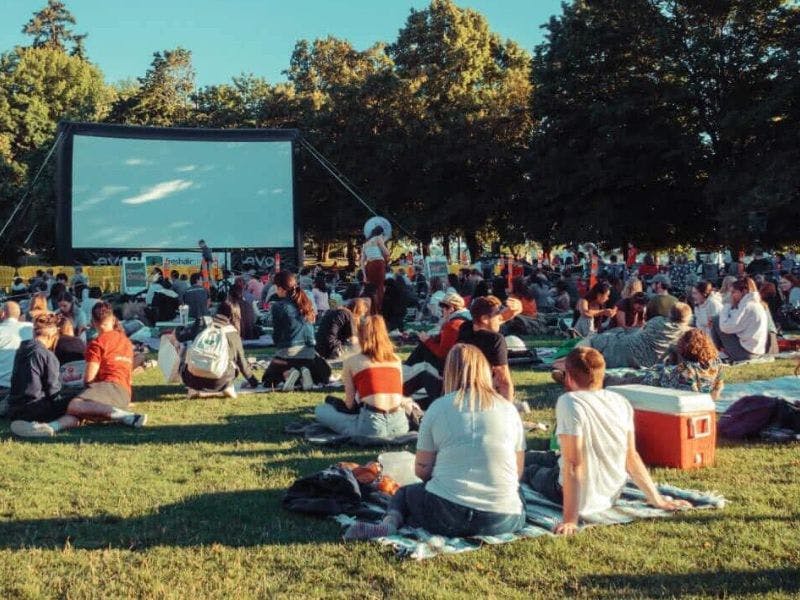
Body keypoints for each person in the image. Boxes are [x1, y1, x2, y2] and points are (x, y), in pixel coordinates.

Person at [344, 343, 526, 540]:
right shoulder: (509, 410)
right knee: (518, 494)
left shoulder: (438, 408)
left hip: (445, 514)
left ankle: (389, 524)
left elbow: (422, 471)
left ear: (449, 372)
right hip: (503, 520)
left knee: (405, 494)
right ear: (485, 371)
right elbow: (517, 471)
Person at [524, 347, 689, 535]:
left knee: (527, 469)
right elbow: (631, 456)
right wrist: (657, 499)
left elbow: (573, 463)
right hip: (611, 493)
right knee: (544, 457)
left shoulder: (570, 402)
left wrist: (570, 519)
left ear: (568, 377)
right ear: (602, 375)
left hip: (573, 493)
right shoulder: (620, 402)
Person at [7, 313, 146, 438]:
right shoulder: (47, 355)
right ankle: (123, 415)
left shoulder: (21, 350)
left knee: (76, 406)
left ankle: (50, 427)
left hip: (14, 407)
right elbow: (53, 392)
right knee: (78, 405)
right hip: (34, 409)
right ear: (51, 335)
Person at [314, 315, 409, 438]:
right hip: (400, 425)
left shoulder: (352, 361)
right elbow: (398, 395)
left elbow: (349, 404)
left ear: (361, 335)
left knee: (321, 410)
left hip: (371, 426)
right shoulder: (396, 360)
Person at [562, 303, 693, 371]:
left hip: (625, 349)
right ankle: (569, 364)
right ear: (687, 319)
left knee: (592, 340)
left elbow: (641, 331)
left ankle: (568, 364)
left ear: (670, 313)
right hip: (648, 363)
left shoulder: (657, 321)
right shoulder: (688, 334)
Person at [605, 328, 724, 400]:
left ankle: (604, 378)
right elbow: (718, 387)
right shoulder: (716, 363)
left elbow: (690, 395)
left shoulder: (686, 370)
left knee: (620, 382)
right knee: (630, 376)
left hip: (653, 383)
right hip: (661, 377)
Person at [261, 272, 330, 391]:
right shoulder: (306, 303)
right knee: (310, 368)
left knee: (268, 379)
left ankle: (289, 373)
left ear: (281, 289)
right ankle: (302, 374)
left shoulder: (278, 307)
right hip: (309, 352)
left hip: (288, 351)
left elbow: (277, 337)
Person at [177, 313, 259, 398]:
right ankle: (228, 387)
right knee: (233, 364)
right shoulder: (233, 334)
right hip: (220, 381)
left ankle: (193, 388)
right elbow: (242, 363)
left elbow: (180, 336)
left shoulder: (201, 326)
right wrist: (253, 382)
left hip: (192, 379)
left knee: (184, 353)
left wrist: (180, 328)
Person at [457, 295, 516, 401]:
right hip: (484, 395)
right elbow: (504, 381)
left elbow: (479, 324)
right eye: (497, 314)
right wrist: (509, 411)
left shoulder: (464, 329)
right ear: (484, 318)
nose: (500, 318)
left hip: (459, 392)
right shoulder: (495, 339)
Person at [406, 292, 471, 372]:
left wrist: (427, 341)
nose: (442, 312)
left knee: (423, 348)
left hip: (451, 365)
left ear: (451, 309)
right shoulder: (468, 318)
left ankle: (406, 369)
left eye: (443, 309)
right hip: (464, 361)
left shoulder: (452, 325)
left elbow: (442, 353)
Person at [711, 279, 769, 361]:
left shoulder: (747, 306)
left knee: (716, 320)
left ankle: (718, 352)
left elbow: (725, 327)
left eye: (734, 292)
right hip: (755, 351)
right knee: (718, 319)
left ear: (744, 291)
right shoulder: (754, 304)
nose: (731, 295)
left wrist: (727, 306)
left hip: (746, 353)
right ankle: (722, 352)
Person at [0, 302, 33, 405]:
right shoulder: (31, 328)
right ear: (19, 315)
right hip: (27, 385)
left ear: (2, 314)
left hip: (4, 386)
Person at [361, 226, 390, 313]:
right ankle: (380, 309)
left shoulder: (365, 244)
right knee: (380, 287)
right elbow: (387, 253)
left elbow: (362, 261)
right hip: (378, 264)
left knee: (371, 289)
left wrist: (364, 275)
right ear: (381, 233)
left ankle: (372, 310)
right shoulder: (378, 238)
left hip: (369, 266)